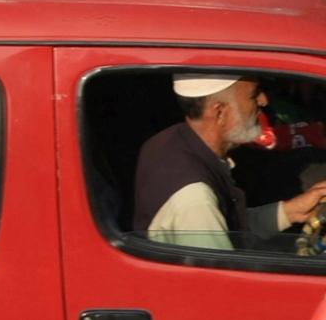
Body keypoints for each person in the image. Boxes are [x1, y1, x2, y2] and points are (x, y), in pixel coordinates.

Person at [135, 74, 326, 250]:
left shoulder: (170, 139)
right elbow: (221, 282)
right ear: (220, 112)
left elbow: (228, 224)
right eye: (253, 95)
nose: (264, 101)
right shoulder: (196, 200)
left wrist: (290, 211)